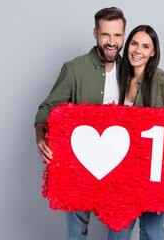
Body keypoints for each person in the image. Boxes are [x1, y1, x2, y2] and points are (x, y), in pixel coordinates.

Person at [34, 7, 126, 240]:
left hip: (122, 170)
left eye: (117, 35)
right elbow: (47, 108)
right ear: (95, 33)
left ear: (124, 36)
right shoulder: (74, 68)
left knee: (121, 233)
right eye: (106, 34)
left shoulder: (133, 70)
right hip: (78, 167)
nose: (111, 42)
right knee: (76, 232)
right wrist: (40, 135)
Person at [107, 25, 164, 240]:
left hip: (156, 173)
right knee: (118, 228)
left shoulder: (162, 80)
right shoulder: (118, 79)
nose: (138, 50)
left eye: (145, 46)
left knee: (151, 229)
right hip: (124, 174)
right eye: (134, 44)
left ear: (153, 52)